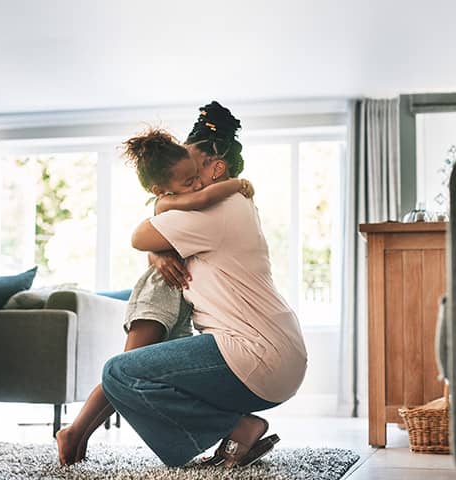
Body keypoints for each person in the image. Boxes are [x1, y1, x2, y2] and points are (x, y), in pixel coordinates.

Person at [100, 101, 308, 468]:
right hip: (275, 352)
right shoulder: (230, 206)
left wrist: (162, 217)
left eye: (191, 168)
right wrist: (161, 255)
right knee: (147, 368)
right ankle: (233, 430)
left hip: (254, 353)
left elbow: (139, 236)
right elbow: (155, 244)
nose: (186, 180)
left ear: (216, 167)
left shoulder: (216, 208)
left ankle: (239, 426)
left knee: (120, 371)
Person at [56, 127, 255, 465]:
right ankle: (74, 431)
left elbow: (169, 242)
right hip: (159, 293)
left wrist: (159, 253)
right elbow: (200, 202)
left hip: (178, 297)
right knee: (126, 367)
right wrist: (237, 185)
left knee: (145, 373)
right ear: (159, 189)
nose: (195, 184)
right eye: (187, 181)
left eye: (195, 177)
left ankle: (79, 432)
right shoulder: (169, 201)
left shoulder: (175, 197)